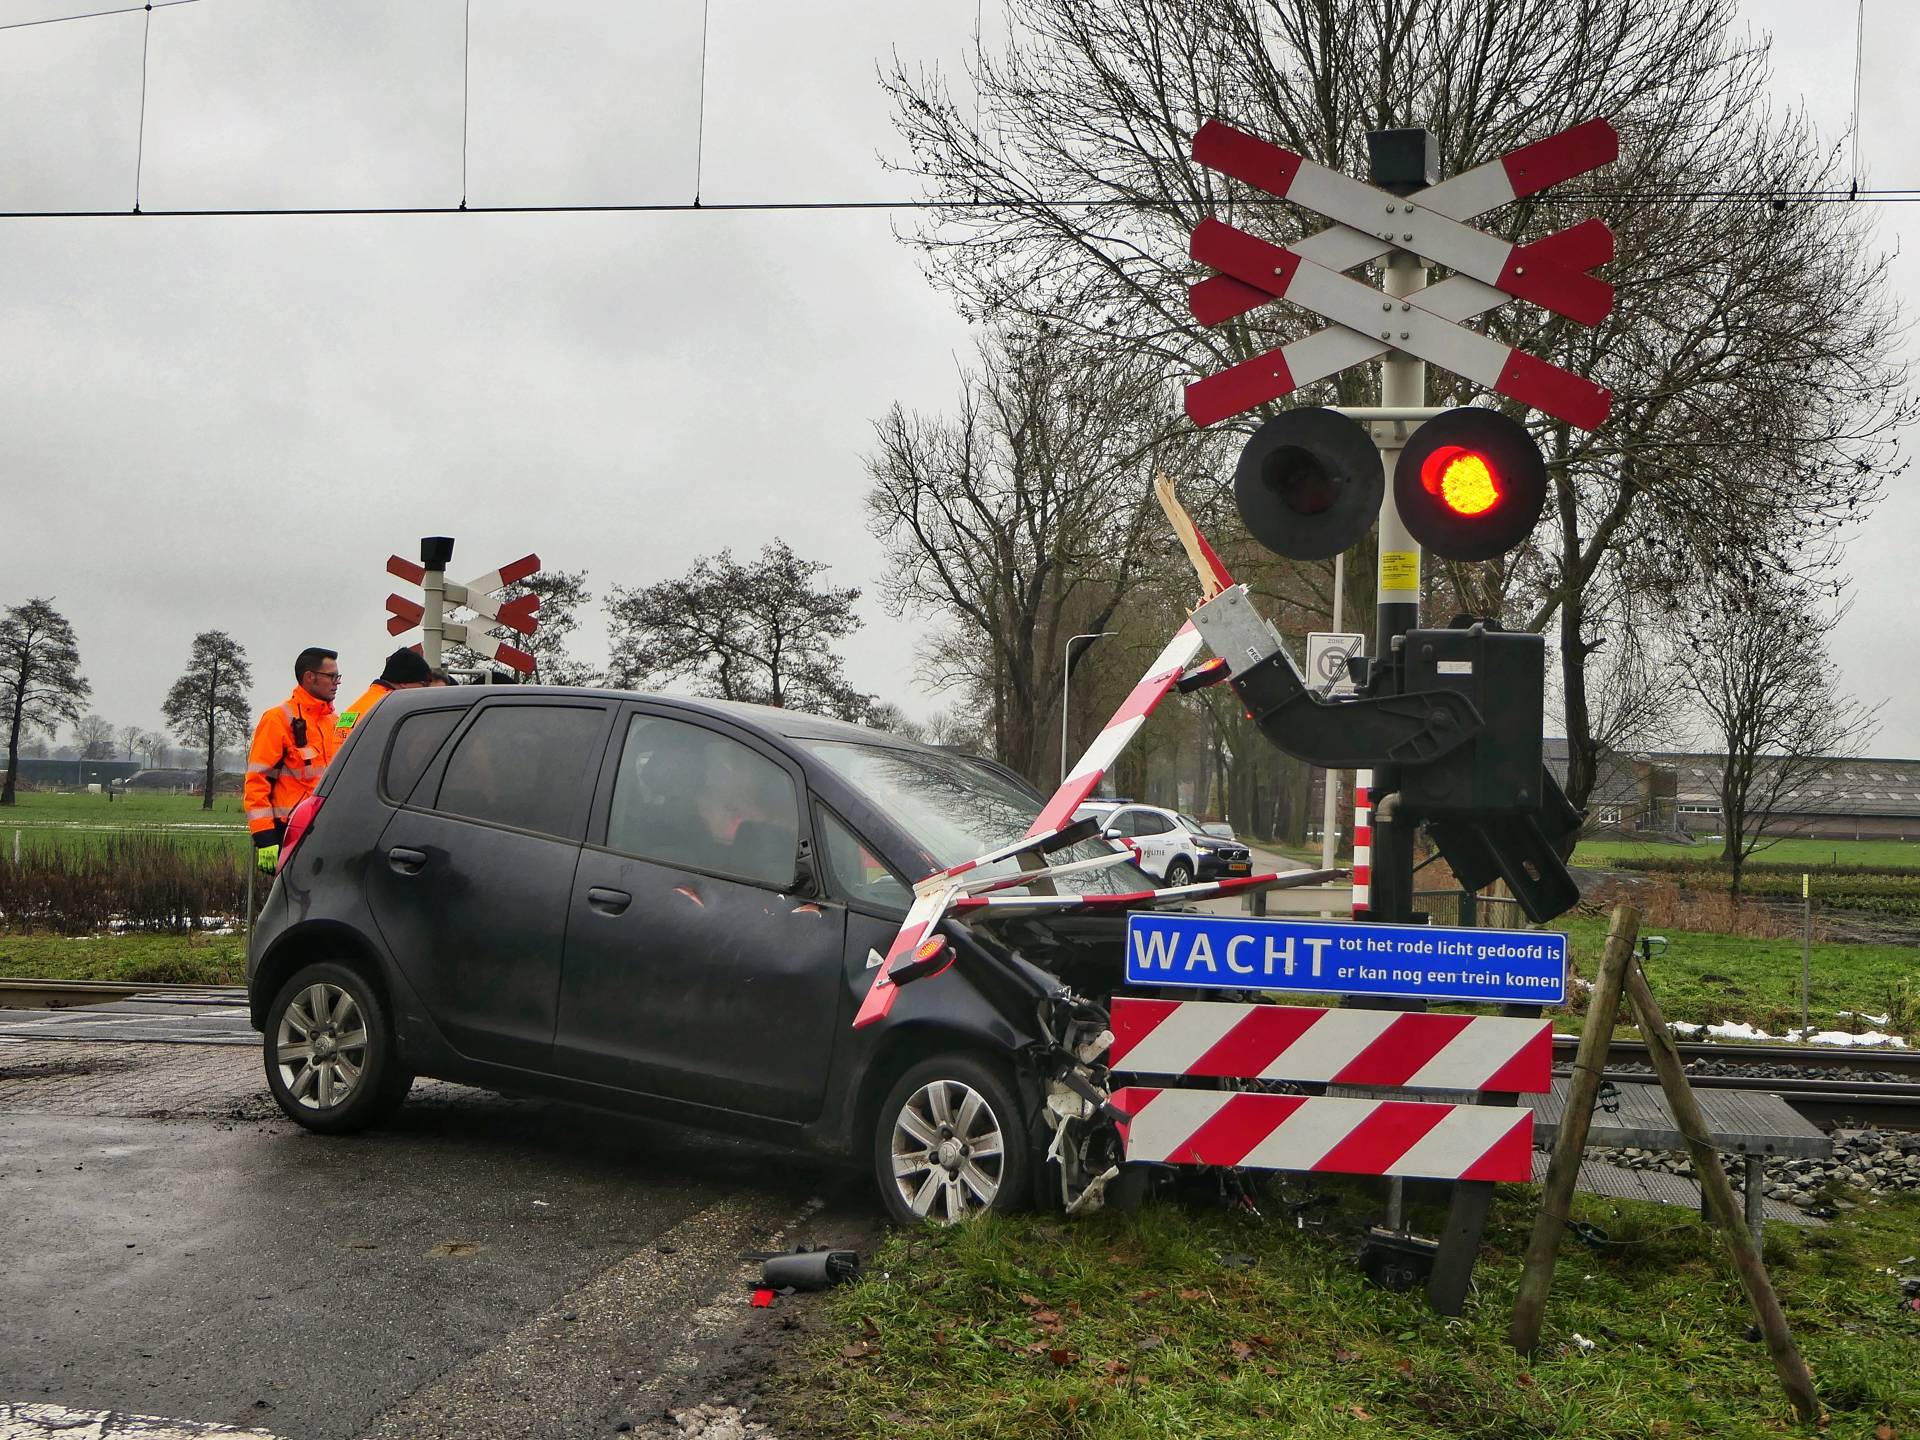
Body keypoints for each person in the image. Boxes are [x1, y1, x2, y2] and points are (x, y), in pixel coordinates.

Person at [245, 647, 344, 871]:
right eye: (332, 676)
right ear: (310, 677)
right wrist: (265, 837)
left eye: (338, 676)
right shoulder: (277, 719)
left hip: (327, 834)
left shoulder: (335, 723)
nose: (337, 682)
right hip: (289, 835)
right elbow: (257, 781)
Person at [336, 647, 433, 742]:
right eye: (423, 684)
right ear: (404, 682)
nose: (426, 690)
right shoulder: (392, 708)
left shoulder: (355, 708)